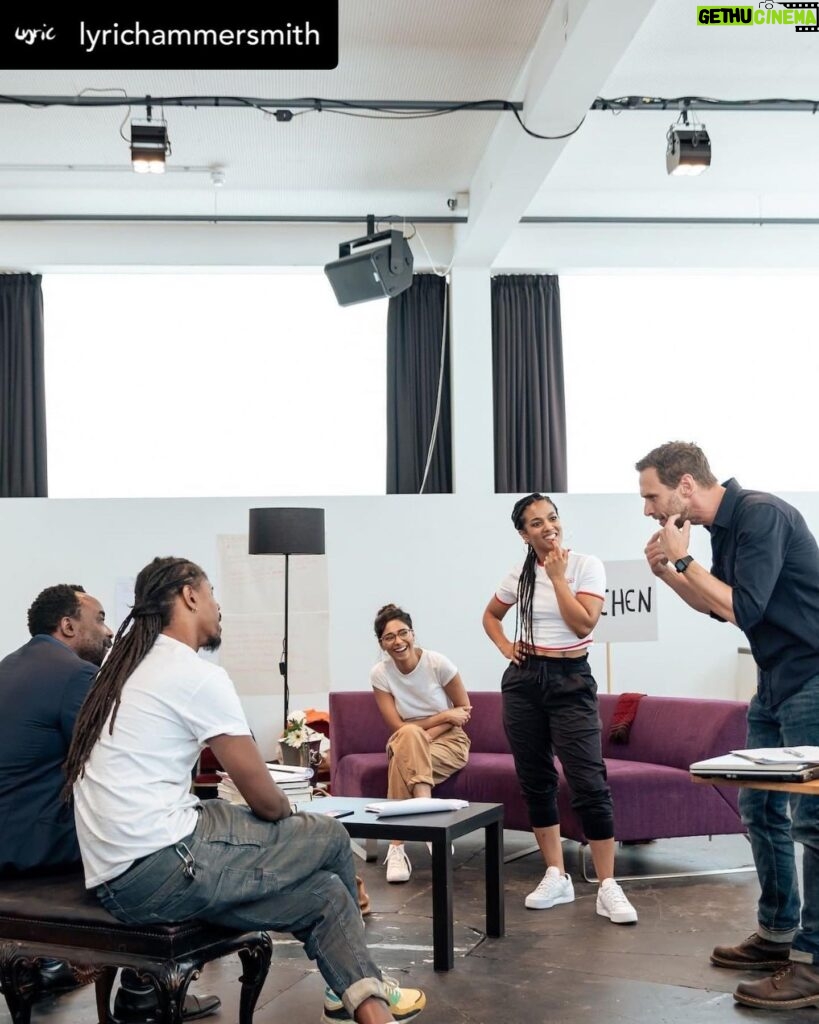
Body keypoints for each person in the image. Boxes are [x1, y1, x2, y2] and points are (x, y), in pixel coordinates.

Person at [64, 557, 426, 1024]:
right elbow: (266, 801)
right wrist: (292, 815)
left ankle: (358, 992)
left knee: (325, 897)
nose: (219, 606)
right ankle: (354, 981)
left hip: (115, 871)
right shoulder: (194, 675)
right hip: (162, 866)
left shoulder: (122, 667)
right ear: (190, 596)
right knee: (330, 837)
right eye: (212, 592)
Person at [637, 441, 819, 1011]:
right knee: (758, 807)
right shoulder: (724, 528)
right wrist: (668, 573)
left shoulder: (761, 515)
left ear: (685, 485)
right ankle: (777, 932)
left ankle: (812, 963)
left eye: (652, 496)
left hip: (813, 675)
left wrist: (685, 562)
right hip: (775, 680)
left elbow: (746, 608)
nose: (647, 509)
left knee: (813, 819)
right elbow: (717, 608)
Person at [0, 583, 219, 1021]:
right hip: (35, 846)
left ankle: (49, 964)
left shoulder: (8, 667)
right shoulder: (74, 675)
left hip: (7, 839)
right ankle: (142, 989)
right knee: (137, 840)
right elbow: (118, 761)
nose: (107, 632)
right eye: (98, 619)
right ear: (67, 625)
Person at [482, 493, 638, 924]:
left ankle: (607, 885)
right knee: (535, 779)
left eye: (551, 518)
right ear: (522, 533)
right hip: (524, 681)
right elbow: (490, 616)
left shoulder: (586, 565)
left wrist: (558, 578)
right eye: (535, 523)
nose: (547, 527)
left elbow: (584, 624)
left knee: (588, 779)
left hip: (571, 681)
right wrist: (504, 646)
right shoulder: (519, 573)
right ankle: (557, 874)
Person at [370, 603, 471, 883]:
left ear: (413, 634)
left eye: (403, 633)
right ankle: (431, 821)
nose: (398, 641)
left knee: (402, 760)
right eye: (390, 637)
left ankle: (396, 847)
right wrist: (437, 719)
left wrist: (429, 734)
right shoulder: (380, 673)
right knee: (408, 737)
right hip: (406, 737)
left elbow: (463, 710)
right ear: (382, 643)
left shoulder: (437, 663)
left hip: (449, 741)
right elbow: (398, 727)